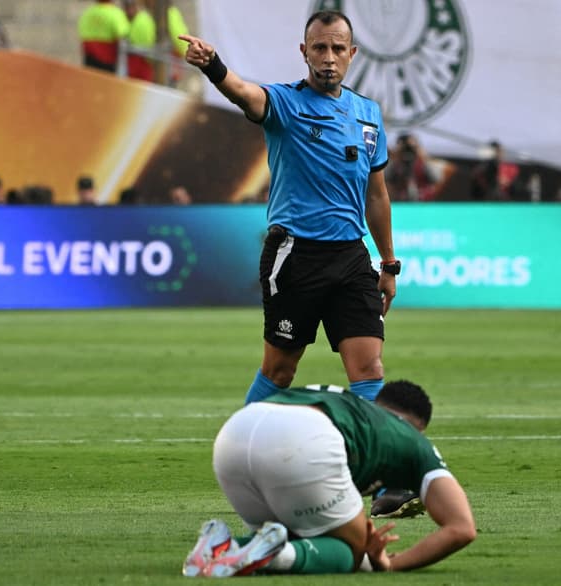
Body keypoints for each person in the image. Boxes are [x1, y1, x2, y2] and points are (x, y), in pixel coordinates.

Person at [180, 10, 399, 405]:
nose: (328, 57)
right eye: (319, 48)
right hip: (297, 256)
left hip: (351, 257)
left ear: (352, 53)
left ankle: (372, 460)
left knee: (369, 370)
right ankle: (243, 447)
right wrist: (213, 66)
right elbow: (243, 92)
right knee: (280, 370)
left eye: (336, 48)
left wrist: (388, 263)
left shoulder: (368, 114)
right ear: (304, 52)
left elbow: (377, 194)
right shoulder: (285, 103)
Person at [182, 381, 476, 577]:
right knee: (354, 552)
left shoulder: (352, 405)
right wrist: (390, 564)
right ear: (418, 427)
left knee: (302, 539)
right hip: (303, 437)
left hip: (235, 433)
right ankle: (273, 557)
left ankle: (222, 545)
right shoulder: (412, 440)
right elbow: (462, 528)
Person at [123, 0, 189, 84]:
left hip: (154, 66)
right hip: (155, 68)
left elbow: (181, 42)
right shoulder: (168, 13)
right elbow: (182, 44)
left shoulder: (144, 16)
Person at [78, 0, 130, 73]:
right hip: (108, 60)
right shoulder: (115, 13)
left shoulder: (88, 12)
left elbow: (83, 34)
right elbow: (122, 35)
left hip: (89, 58)